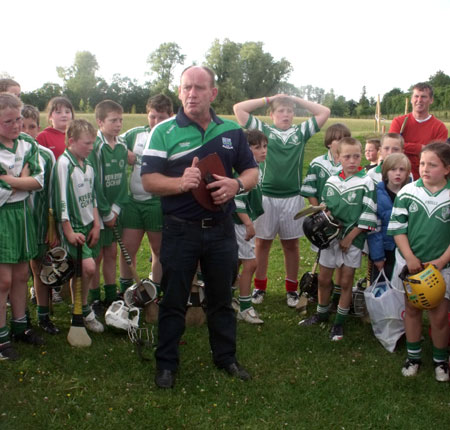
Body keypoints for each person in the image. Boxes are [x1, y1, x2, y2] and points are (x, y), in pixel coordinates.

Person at [141, 65, 259, 388]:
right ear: (180, 92)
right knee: (173, 298)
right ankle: (166, 365)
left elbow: (252, 171)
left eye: (199, 88)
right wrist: (180, 183)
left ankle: (226, 358)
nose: (192, 94)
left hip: (221, 228)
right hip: (180, 229)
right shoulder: (163, 131)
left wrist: (237, 185)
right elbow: (148, 180)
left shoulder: (231, 131)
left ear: (213, 93)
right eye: (186, 88)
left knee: (222, 298)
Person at [233, 94, 330, 308]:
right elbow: (239, 108)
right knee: (262, 243)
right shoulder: (265, 131)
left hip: (292, 197)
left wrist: (296, 99)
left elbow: (324, 112)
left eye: (289, 111)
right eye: (281, 111)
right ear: (272, 114)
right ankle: (260, 286)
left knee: (291, 245)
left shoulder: (300, 132)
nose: (286, 114)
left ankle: (292, 289)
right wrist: (270, 98)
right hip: (265, 196)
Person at [299, 137, 377, 341]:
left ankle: (339, 324)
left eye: (356, 156)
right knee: (324, 279)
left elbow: (368, 214)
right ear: (338, 157)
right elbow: (326, 205)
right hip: (330, 240)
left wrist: (350, 237)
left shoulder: (366, 181)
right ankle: (322, 314)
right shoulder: (332, 180)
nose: (352, 160)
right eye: (347, 156)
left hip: (351, 241)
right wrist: (322, 217)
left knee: (344, 282)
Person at [388, 142, 450, 381]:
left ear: (446, 169)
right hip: (412, 266)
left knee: (439, 314)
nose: (425, 168)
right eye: (422, 163)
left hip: (442, 267)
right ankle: (413, 357)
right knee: (412, 309)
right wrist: (410, 258)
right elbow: (398, 229)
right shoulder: (407, 192)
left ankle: (440, 361)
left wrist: (442, 261)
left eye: (432, 165)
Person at [0, 93, 44, 360]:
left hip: (21, 215)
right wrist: (21, 180)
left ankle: (20, 326)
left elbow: (39, 179)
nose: (16, 125)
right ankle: (1, 336)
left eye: (18, 119)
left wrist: (10, 179)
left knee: (20, 276)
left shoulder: (27, 143)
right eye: (8, 121)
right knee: (2, 280)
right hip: (2, 215)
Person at [118, 94, 173, 296]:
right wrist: (124, 152)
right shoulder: (135, 135)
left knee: (158, 251)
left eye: (161, 117)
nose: (156, 122)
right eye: (152, 116)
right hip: (133, 202)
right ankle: (124, 292)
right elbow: (109, 140)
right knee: (127, 251)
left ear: (171, 116)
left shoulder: (172, 137)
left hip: (157, 203)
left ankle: (154, 292)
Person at [52, 119, 103, 333]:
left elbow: (92, 196)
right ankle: (84, 309)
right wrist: (68, 231)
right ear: (71, 141)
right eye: (87, 143)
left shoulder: (88, 164)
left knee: (83, 271)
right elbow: (60, 199)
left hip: (88, 225)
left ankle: (79, 310)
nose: (91, 148)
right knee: (88, 268)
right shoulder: (64, 164)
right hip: (71, 227)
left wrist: (96, 223)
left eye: (93, 144)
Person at [300, 123, 351, 308]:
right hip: (324, 220)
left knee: (341, 263)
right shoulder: (317, 163)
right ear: (329, 142)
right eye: (337, 139)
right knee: (326, 263)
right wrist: (320, 213)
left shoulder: (350, 165)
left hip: (344, 222)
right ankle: (323, 297)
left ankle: (337, 295)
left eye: (345, 139)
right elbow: (310, 190)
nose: (341, 142)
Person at [88, 100, 128, 313]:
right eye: (113, 120)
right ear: (100, 122)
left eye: (120, 120)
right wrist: (105, 212)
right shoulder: (96, 146)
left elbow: (122, 181)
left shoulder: (122, 145)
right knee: (97, 255)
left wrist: (116, 209)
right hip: (98, 212)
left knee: (112, 252)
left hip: (115, 210)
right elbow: (94, 183)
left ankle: (112, 296)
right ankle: (94, 297)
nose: (118, 124)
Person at [28, 124, 60, 333]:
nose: (25, 131)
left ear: (38, 129)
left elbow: (52, 193)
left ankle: (43, 316)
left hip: (40, 223)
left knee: (41, 271)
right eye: (21, 126)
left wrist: (52, 226)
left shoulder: (46, 155)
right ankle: (21, 320)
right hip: (17, 224)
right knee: (18, 275)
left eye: (31, 127)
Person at [233, 129, 267, 324]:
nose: (263, 151)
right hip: (240, 223)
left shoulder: (256, 167)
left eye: (265, 147)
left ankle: (229, 297)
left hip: (244, 222)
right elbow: (237, 201)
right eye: (257, 147)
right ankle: (245, 308)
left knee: (237, 261)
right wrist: (247, 223)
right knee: (250, 263)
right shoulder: (244, 172)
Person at [389, 82, 448, 180]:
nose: (419, 100)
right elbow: (392, 147)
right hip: (398, 176)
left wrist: (404, 146)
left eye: (424, 97)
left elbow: (438, 156)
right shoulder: (398, 122)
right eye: (416, 96)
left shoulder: (439, 127)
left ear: (431, 100)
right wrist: (420, 147)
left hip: (426, 178)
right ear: (411, 99)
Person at [367, 153, 411, 282]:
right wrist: (378, 256)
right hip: (385, 250)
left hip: (407, 250)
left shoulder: (412, 193)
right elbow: (374, 228)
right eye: (393, 169)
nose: (398, 173)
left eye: (402, 170)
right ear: (385, 172)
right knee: (382, 286)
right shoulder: (376, 194)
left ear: (407, 172)